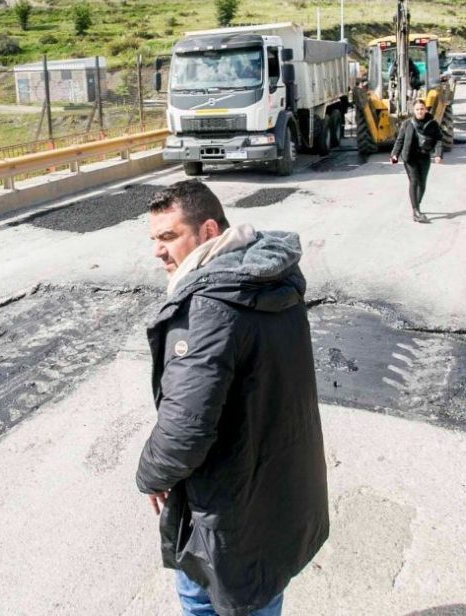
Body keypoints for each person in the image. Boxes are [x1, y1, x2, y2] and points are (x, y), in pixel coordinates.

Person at [137, 180, 328, 616]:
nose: (157, 252)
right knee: (262, 591)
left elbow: (183, 431)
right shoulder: (269, 276)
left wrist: (150, 474)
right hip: (277, 492)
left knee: (210, 597)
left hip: (227, 511)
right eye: (154, 240)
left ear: (207, 232)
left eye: (169, 237)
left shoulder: (209, 307)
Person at [391, 99, 444, 223]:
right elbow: (400, 140)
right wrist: (394, 155)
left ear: (426, 109)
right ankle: (416, 211)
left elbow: (439, 139)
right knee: (414, 181)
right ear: (413, 111)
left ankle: (416, 204)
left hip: (424, 156)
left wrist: (438, 154)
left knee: (422, 184)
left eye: (422, 109)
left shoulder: (433, 124)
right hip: (409, 157)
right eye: (417, 109)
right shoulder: (407, 124)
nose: (420, 111)